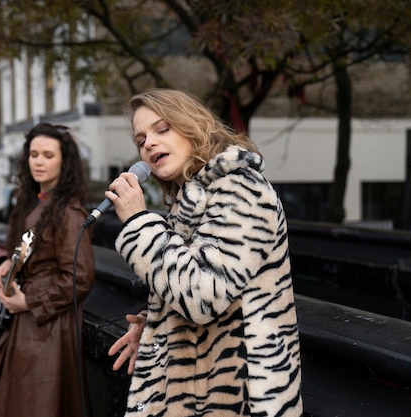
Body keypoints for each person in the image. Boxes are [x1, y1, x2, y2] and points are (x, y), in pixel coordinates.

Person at [106, 89, 303, 416]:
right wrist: (153, 323)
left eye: (162, 128)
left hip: (238, 398)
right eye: (141, 139)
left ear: (192, 125)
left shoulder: (241, 187)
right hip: (194, 392)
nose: (149, 143)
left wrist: (140, 223)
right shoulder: (190, 200)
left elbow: (203, 296)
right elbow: (192, 277)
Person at [0, 122, 96, 417]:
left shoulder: (69, 213)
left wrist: (29, 301)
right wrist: (8, 263)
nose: (39, 162)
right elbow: (33, 249)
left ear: (64, 161)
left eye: (48, 155)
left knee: (38, 405)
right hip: (27, 323)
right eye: (34, 154)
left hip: (48, 329)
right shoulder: (33, 201)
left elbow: (79, 278)